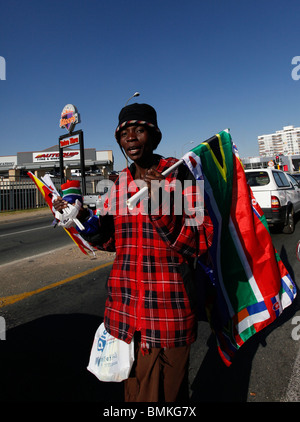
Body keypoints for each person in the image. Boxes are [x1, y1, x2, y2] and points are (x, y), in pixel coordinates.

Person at [54, 103, 213, 402]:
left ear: (153, 136)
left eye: (139, 131)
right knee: (134, 393)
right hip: (124, 314)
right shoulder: (117, 184)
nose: (130, 139)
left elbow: (199, 241)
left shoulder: (178, 176)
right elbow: (111, 241)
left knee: (167, 397)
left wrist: (160, 205)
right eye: (124, 133)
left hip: (168, 313)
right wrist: (82, 221)